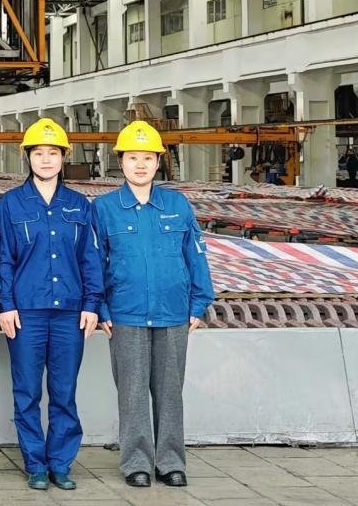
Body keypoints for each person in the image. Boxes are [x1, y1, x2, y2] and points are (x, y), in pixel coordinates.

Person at [94, 121, 214, 489]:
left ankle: (170, 462)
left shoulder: (177, 205)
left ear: (158, 162)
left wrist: (199, 304)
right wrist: (100, 309)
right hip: (126, 313)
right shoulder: (105, 208)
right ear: (121, 162)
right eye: (133, 158)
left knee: (169, 393)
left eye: (148, 158)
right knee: (132, 393)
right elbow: (94, 263)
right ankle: (136, 463)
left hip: (173, 312)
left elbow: (196, 255)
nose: (141, 165)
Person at [0, 118, 103, 491]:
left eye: (52, 153)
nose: (45, 159)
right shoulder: (10, 204)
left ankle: (60, 462)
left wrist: (92, 304)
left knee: (64, 392)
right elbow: (3, 259)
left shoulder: (79, 205)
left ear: (63, 157)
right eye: (38, 153)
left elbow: (90, 258)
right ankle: (35, 464)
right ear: (27, 157)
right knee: (27, 392)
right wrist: (6, 305)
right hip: (26, 312)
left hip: (70, 312)